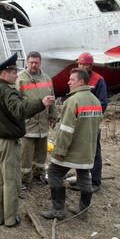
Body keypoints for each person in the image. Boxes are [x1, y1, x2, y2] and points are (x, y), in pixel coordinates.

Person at [0, 53, 54, 227]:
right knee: (10, 181)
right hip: (7, 143)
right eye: (13, 72)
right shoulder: (7, 91)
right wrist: (41, 103)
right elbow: (19, 109)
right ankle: (10, 218)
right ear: (4, 73)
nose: (17, 75)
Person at [41, 68, 102, 220]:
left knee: (54, 173)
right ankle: (83, 211)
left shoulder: (73, 101)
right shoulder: (95, 101)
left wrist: (60, 151)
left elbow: (66, 130)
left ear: (81, 82)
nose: (68, 82)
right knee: (84, 177)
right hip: (87, 150)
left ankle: (58, 210)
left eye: (72, 79)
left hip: (70, 150)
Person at [16, 51, 57, 187]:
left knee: (41, 152)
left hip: (43, 123)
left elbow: (52, 99)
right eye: (31, 62)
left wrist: (53, 116)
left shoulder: (47, 79)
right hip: (28, 123)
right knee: (26, 153)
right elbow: (16, 103)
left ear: (40, 63)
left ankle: (39, 174)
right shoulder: (20, 79)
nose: (34, 65)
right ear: (27, 62)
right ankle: (24, 179)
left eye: (36, 63)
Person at [69, 52, 107, 192]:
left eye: (84, 64)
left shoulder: (98, 80)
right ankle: (82, 181)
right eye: (79, 63)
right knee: (80, 151)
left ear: (91, 65)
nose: (82, 66)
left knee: (94, 151)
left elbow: (102, 103)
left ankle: (95, 182)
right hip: (78, 122)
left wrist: (90, 116)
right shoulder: (76, 78)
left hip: (91, 123)